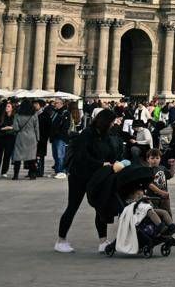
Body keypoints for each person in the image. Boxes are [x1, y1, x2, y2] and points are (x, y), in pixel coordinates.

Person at [55, 108, 124, 254]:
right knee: (73, 206)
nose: (113, 124)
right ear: (105, 122)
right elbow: (82, 157)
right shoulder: (87, 134)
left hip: (97, 176)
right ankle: (61, 241)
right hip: (79, 176)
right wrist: (101, 164)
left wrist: (115, 162)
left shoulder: (105, 135)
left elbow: (110, 152)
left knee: (100, 206)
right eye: (112, 122)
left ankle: (103, 241)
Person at [11, 98, 40, 180]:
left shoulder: (17, 115)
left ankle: (15, 175)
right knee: (31, 157)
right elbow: (36, 128)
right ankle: (32, 175)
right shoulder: (34, 114)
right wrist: (37, 138)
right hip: (31, 137)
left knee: (17, 157)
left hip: (20, 137)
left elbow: (16, 128)